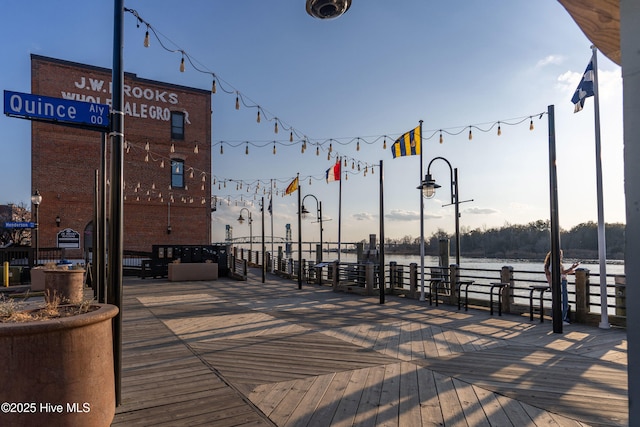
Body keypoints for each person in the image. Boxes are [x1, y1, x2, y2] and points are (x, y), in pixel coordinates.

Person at [544, 250, 580, 325]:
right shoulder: (554, 264)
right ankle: (562, 319)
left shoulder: (549, 265)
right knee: (563, 302)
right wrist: (572, 267)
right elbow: (561, 272)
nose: (561, 257)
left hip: (557, 283)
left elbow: (560, 272)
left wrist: (569, 271)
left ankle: (556, 318)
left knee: (557, 302)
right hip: (560, 283)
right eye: (560, 255)